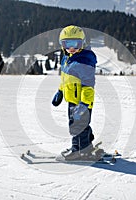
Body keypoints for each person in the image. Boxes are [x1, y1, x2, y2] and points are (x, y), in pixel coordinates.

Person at [52, 25, 97, 160]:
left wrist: (84, 104)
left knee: (77, 126)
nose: (71, 48)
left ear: (82, 43)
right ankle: (87, 145)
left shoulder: (84, 61)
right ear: (62, 44)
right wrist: (60, 91)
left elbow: (88, 86)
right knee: (81, 125)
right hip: (72, 98)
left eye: (75, 44)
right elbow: (67, 80)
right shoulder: (68, 58)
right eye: (67, 44)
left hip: (81, 102)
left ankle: (79, 151)